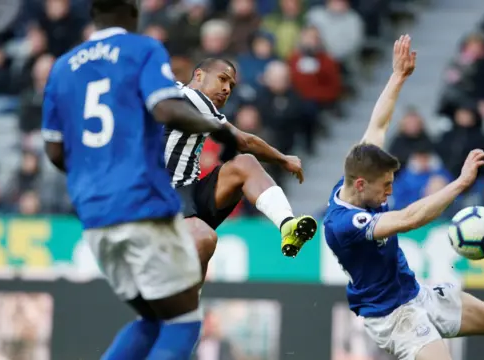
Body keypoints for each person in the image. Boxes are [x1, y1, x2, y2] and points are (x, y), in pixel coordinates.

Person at [41, 0, 239, 359]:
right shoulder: (142, 48)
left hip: (94, 215)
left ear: (93, 15)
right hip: (141, 205)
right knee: (184, 322)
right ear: (133, 13)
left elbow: (55, 152)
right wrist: (218, 129)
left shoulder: (62, 67)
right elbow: (165, 108)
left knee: (152, 320)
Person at [323, 35, 484, 360]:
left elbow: (377, 125)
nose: (390, 192)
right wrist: (460, 183)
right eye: (385, 186)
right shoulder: (344, 224)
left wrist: (398, 76)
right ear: (363, 184)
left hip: (415, 294)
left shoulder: (358, 172)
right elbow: (410, 219)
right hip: (392, 317)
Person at [165, 57, 318, 278]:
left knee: (245, 164)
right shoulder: (191, 97)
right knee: (203, 237)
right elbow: (245, 141)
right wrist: (283, 159)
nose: (227, 89)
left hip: (189, 194)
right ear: (198, 76)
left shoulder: (189, 103)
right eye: (222, 79)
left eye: (231, 85)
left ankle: (287, 225)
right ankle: (184, 306)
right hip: (162, 195)